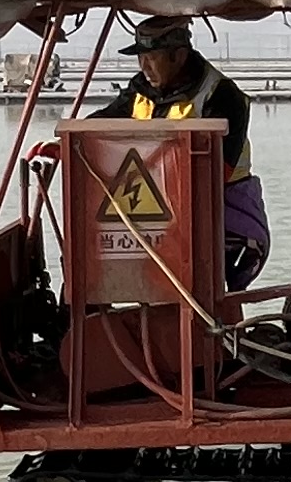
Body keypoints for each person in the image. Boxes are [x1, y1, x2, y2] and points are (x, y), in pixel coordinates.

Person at [94, 15, 271, 288]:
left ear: (178, 56)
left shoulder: (222, 96)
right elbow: (102, 122)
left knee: (210, 284)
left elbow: (216, 174)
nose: (144, 66)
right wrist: (63, 144)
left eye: (151, 57)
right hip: (151, 211)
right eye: (140, 58)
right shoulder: (139, 90)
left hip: (224, 211)